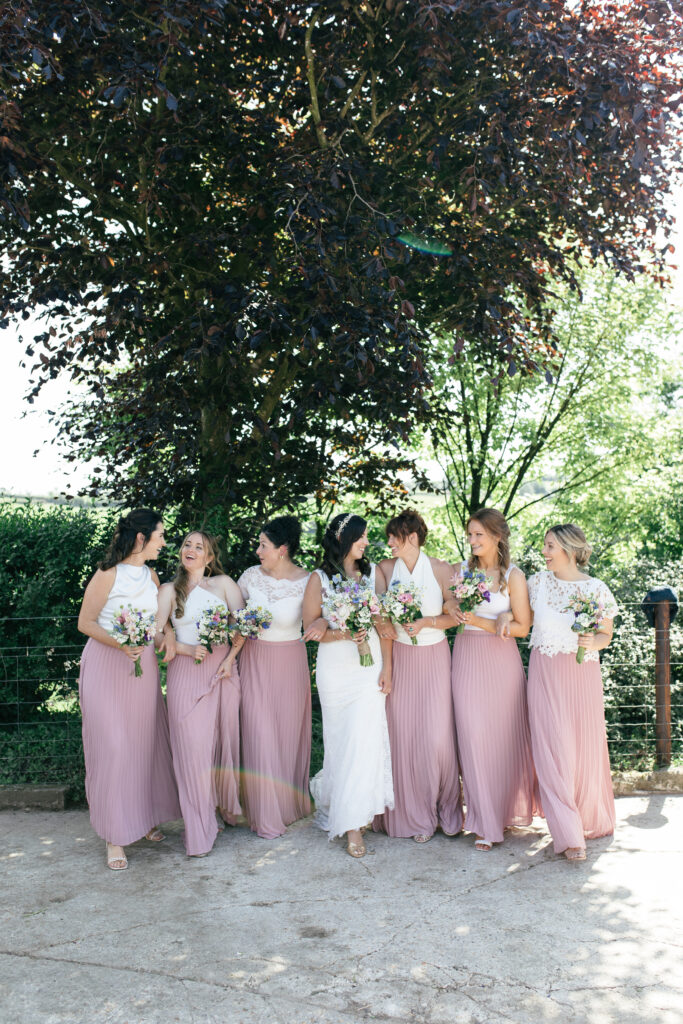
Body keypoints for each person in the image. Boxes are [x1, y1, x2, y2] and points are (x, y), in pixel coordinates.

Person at [77, 509, 180, 871]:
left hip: (143, 668)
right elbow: (85, 623)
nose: (164, 542)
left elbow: (157, 623)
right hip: (107, 666)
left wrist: (165, 636)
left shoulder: (151, 575)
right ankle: (114, 835)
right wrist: (121, 644)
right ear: (141, 538)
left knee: (144, 744)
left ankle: (143, 817)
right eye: (160, 536)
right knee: (115, 747)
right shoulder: (107, 575)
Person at [303, 513, 394, 858]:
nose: (367, 543)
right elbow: (311, 629)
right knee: (342, 742)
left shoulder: (372, 575)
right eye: (363, 537)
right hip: (335, 671)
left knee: (364, 741)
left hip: (367, 671)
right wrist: (342, 630)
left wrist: (388, 668)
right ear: (346, 539)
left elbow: (384, 626)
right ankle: (348, 817)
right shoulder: (319, 579)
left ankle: (356, 822)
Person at [527, 524, 617, 861]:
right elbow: (521, 617)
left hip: (582, 676)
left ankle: (585, 818)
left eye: (550, 546)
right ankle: (568, 834)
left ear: (568, 548)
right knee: (552, 748)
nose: (545, 552)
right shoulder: (536, 584)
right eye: (545, 546)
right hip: (545, 674)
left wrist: (593, 641)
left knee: (581, 749)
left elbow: (605, 634)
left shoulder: (596, 588)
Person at [448, 509, 537, 851]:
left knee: (502, 737)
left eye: (479, 535)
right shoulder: (461, 571)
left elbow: (523, 628)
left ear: (497, 537)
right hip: (467, 656)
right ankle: (483, 819)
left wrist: (492, 620)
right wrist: (454, 611)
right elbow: (451, 607)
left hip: (501, 661)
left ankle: (501, 813)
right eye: (470, 535)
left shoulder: (513, 576)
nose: (472, 541)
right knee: (472, 735)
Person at [373, 509, 462, 842]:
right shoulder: (384, 569)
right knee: (403, 736)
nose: (389, 543)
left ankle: (445, 812)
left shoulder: (441, 569)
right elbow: (380, 617)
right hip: (400, 657)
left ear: (412, 537)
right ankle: (415, 817)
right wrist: (387, 665)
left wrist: (428, 621)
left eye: (394, 536)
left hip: (435, 657)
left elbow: (455, 614)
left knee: (436, 738)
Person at [157, 532, 245, 857]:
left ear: (209, 558)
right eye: (187, 545)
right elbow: (155, 632)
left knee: (217, 745)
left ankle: (214, 811)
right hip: (185, 672)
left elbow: (243, 626)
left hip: (221, 670)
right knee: (191, 750)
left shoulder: (223, 584)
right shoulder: (168, 590)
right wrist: (183, 646)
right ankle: (198, 829)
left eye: (199, 547)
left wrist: (229, 660)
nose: (191, 550)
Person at [234, 516, 313, 839]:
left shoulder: (308, 581)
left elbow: (314, 626)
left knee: (285, 734)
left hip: (291, 664)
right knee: (259, 733)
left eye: (263, 545)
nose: (257, 551)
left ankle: (285, 804)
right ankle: (262, 812)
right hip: (254, 660)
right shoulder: (250, 577)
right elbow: (234, 621)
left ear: (282, 549)